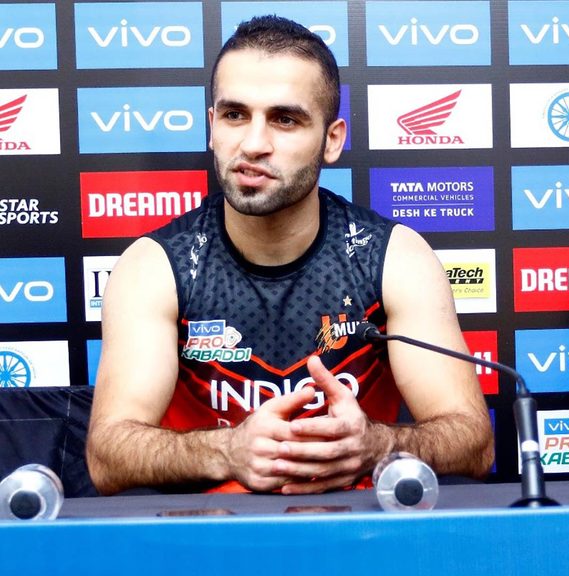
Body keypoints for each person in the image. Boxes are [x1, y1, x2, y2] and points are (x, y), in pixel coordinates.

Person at [86, 15, 493, 495]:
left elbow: (475, 442)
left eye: (285, 119)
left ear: (332, 139)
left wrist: (376, 445)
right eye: (235, 115)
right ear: (212, 127)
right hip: (209, 546)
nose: (254, 144)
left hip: (360, 543)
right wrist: (228, 450)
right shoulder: (156, 266)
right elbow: (106, 455)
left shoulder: (394, 257)